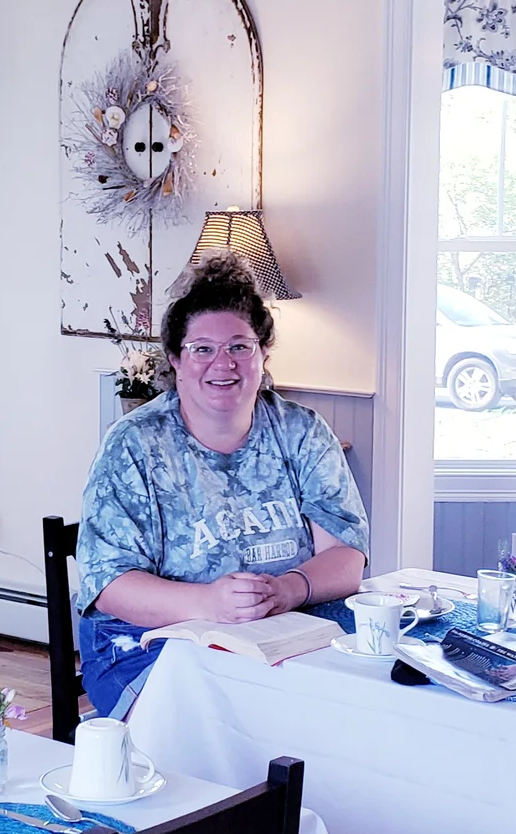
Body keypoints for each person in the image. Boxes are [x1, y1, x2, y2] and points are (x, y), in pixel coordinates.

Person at [72, 254, 369, 718]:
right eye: (202, 349)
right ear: (175, 359)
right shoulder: (134, 445)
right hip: (150, 644)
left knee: (365, 698)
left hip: (284, 630)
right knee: (250, 721)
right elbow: (109, 585)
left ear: (264, 352)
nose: (222, 364)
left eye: (239, 346)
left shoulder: (302, 432)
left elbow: (347, 559)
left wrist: (290, 588)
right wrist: (208, 603)